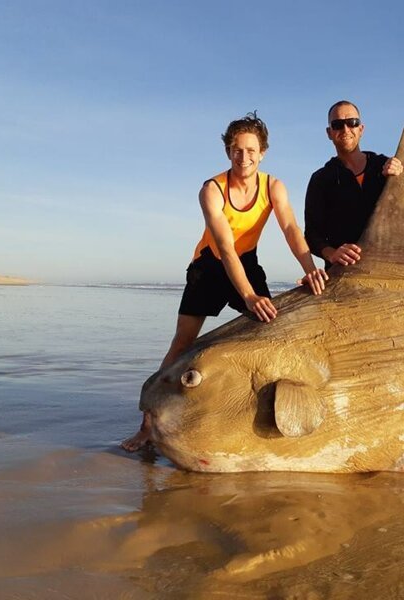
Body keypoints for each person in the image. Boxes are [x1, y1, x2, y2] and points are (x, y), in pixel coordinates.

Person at [122, 112, 328, 452]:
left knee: (269, 329)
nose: (243, 157)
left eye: (250, 150)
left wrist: (310, 267)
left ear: (262, 152)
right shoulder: (212, 190)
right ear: (228, 152)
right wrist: (247, 295)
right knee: (183, 343)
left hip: (246, 261)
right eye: (236, 150)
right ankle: (148, 424)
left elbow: (291, 230)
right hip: (210, 265)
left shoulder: (273, 186)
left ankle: (250, 414)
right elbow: (226, 248)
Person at [304, 100, 403, 268]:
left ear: (361, 129)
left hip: (390, 269)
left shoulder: (386, 166)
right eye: (337, 125)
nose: (345, 129)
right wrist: (332, 253)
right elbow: (312, 235)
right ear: (329, 132)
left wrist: (402, 179)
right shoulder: (321, 179)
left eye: (352, 123)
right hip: (345, 274)